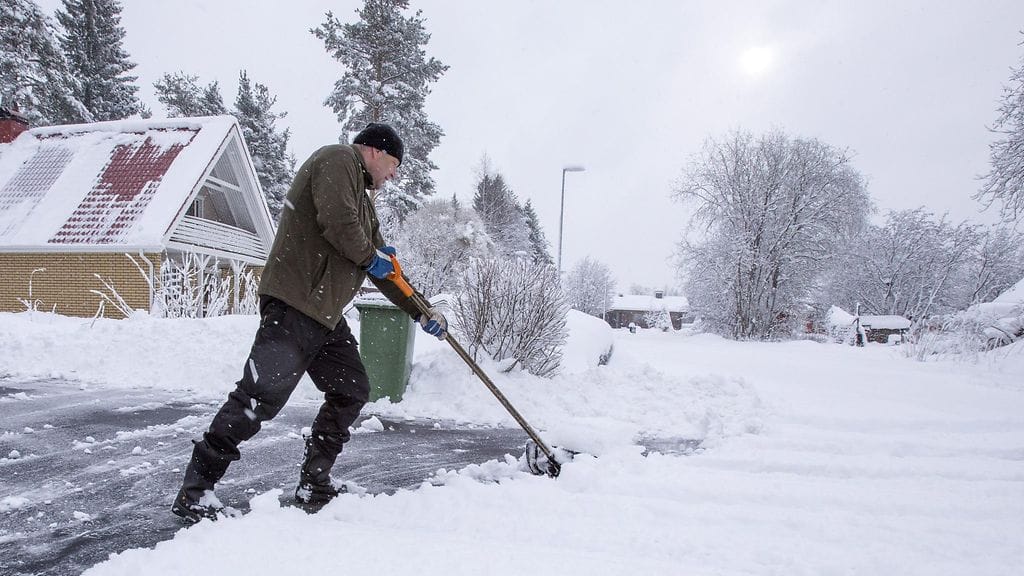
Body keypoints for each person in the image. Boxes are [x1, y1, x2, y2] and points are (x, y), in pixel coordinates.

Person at [171, 123, 449, 522]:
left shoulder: (364, 205)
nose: (394, 176)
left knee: (351, 390)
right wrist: (370, 254)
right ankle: (196, 492)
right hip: (295, 303)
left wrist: (422, 311)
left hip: (324, 316)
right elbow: (337, 222)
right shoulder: (338, 159)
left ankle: (313, 483)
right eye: (394, 164)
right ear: (373, 150)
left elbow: (383, 269)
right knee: (258, 398)